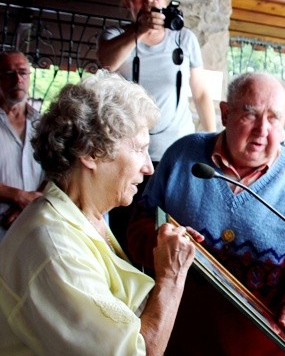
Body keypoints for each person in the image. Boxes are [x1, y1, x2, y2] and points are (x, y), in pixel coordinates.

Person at [126, 71, 285, 355]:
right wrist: (163, 244)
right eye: (250, 114)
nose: (262, 130)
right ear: (225, 113)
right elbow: (137, 225)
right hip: (173, 339)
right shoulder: (182, 154)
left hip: (259, 348)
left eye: (273, 118)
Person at [0, 72, 204, 355]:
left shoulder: (88, 217)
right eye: (139, 150)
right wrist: (171, 277)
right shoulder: (55, 248)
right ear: (91, 153)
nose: (149, 167)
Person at [96, 0, 216, 253]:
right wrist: (139, 31)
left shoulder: (184, 39)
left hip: (176, 152)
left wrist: (211, 139)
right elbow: (106, 64)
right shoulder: (116, 35)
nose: (149, 1)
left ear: (166, 0)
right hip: (131, 154)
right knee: (128, 227)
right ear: (129, 1)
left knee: (172, 225)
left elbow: (199, 92)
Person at [0, 50, 45, 241]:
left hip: (33, 224)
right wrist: (18, 196)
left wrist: (30, 203)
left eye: (22, 72)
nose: (17, 79)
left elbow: (56, 171)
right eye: (9, 73)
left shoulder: (42, 124)